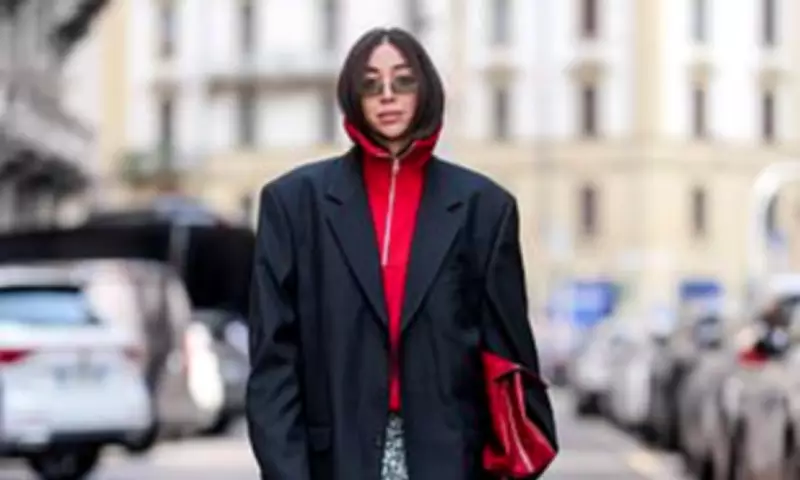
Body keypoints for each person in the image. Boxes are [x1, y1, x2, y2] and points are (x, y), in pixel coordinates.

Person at [246, 27, 558, 480]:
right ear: (352, 96)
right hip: (331, 461)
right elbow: (273, 361)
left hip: (450, 460)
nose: (387, 95)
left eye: (402, 81)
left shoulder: (484, 209)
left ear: (426, 88)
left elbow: (510, 361)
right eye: (371, 84)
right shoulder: (294, 205)